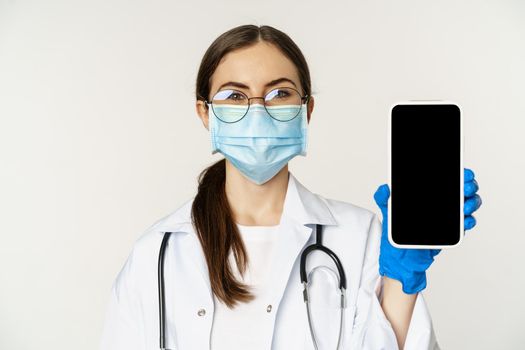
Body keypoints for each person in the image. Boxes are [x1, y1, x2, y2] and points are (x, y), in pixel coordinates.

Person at [100, 24, 482, 350]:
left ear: (307, 110)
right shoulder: (157, 252)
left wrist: (402, 276)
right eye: (234, 96)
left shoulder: (360, 236)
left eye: (279, 93)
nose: (258, 110)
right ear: (205, 112)